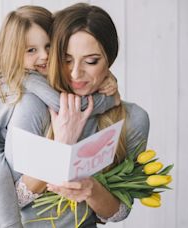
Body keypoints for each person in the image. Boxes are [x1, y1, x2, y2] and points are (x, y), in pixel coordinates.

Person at [0, 5, 120, 228]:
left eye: (49, 46)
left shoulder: (33, 74)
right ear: (14, 52)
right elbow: (67, 107)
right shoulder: (28, 79)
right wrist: (110, 99)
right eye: (31, 50)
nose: (44, 55)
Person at [8, 3, 150, 227]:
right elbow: (9, 200)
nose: (76, 73)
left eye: (91, 61)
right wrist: (60, 147)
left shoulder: (133, 119)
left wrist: (91, 190)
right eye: (66, 59)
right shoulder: (32, 105)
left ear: (109, 60)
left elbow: (119, 211)